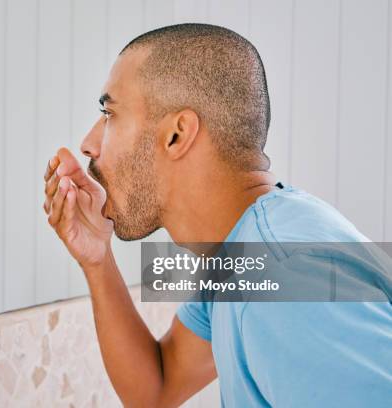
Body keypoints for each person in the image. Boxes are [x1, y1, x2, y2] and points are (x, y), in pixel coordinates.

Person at [43, 24, 391, 407]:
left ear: (177, 135)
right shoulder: (246, 254)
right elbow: (157, 388)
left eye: (110, 113)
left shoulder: (284, 275)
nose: (89, 144)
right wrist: (97, 258)